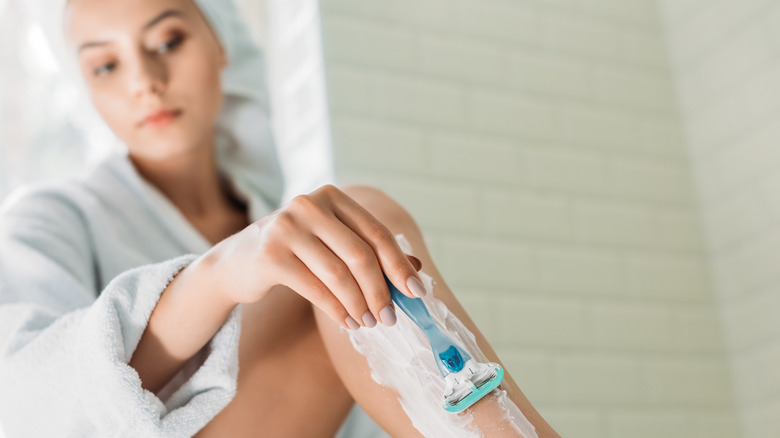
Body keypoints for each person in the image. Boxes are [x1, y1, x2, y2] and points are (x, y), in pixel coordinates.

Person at [0, 0, 560, 436]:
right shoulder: (50, 219)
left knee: (342, 242)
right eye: (105, 65)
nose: (144, 80)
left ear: (220, 43)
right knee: (346, 236)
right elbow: (20, 407)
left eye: (168, 40)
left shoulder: (275, 223)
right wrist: (215, 278)